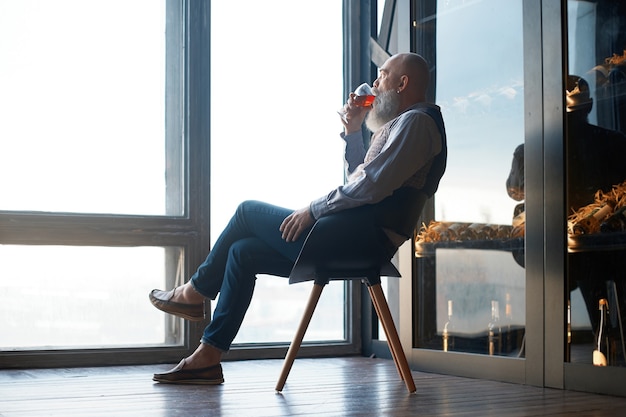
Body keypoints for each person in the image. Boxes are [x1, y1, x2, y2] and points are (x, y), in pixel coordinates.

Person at [149, 52, 448, 384]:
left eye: (383, 74)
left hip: (360, 241)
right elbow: (364, 179)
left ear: (402, 82)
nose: (376, 83)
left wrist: (313, 210)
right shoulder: (402, 124)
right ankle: (208, 357)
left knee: (248, 211)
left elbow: (370, 187)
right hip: (354, 238)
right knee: (242, 252)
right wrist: (352, 131)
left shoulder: (416, 122)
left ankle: (195, 292)